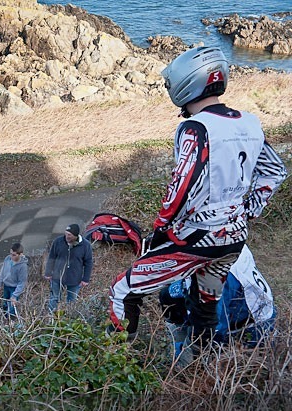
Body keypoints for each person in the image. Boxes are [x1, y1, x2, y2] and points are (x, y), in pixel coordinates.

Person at [109, 47, 287, 350]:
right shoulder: (250, 122)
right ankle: (203, 368)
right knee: (205, 307)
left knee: (124, 290)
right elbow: (275, 170)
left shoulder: (195, 127)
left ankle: (114, 362)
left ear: (186, 83)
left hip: (200, 236)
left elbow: (184, 184)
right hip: (234, 237)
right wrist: (247, 210)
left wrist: (162, 227)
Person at [160, 246, 276, 364]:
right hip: (238, 301)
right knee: (168, 296)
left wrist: (187, 352)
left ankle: (182, 364)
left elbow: (212, 331)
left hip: (250, 327)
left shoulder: (215, 276)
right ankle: (180, 340)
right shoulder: (231, 239)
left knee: (192, 356)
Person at [44, 224, 93, 312]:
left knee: (72, 301)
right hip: (57, 277)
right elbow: (51, 258)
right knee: (54, 298)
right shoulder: (58, 242)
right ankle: (51, 317)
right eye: (66, 234)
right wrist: (48, 272)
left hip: (75, 278)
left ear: (76, 235)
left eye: (69, 235)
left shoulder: (85, 245)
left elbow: (88, 262)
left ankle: (69, 318)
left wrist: (85, 279)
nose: (67, 236)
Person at [0, 242, 28, 316]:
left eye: (14, 255)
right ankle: (5, 319)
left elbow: (22, 282)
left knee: (12, 307)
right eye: (10, 253)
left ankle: (11, 322)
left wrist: (15, 295)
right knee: (4, 304)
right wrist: (0, 283)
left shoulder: (23, 266)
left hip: (14, 288)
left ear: (20, 254)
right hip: (6, 285)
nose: (11, 256)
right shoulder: (7, 259)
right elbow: (3, 270)